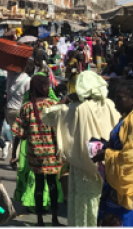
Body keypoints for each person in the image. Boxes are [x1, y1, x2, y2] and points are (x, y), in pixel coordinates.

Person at [42, 71, 121, 226]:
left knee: (82, 203)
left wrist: (66, 99)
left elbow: (47, 116)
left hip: (82, 167)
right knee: (102, 201)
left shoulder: (74, 109)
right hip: (107, 163)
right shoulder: (110, 105)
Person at [93, 80, 133, 227]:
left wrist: (106, 154)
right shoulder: (128, 118)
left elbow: (132, 155)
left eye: (120, 98)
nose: (115, 103)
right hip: (121, 182)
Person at [10, 74, 62, 227]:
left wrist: (14, 155)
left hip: (35, 154)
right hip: (52, 153)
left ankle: (39, 220)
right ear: (44, 87)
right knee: (52, 184)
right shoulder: (53, 104)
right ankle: (54, 219)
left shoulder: (27, 107)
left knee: (39, 185)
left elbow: (18, 133)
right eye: (47, 86)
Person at [5, 59, 34, 127]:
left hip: (9, 109)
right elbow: (28, 96)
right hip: (19, 110)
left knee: (12, 133)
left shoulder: (10, 77)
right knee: (20, 133)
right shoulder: (28, 80)